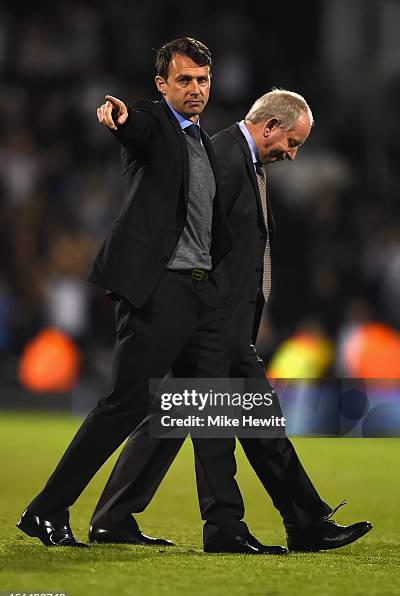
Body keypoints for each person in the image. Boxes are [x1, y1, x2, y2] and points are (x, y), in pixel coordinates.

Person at [17, 37, 286, 555]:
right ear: (162, 85)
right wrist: (119, 117)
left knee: (209, 410)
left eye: (203, 80)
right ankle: (46, 508)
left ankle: (224, 526)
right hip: (158, 292)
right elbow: (133, 126)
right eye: (184, 80)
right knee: (125, 404)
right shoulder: (154, 124)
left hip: (202, 295)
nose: (195, 90)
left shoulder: (204, 142)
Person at [89, 89, 372, 553]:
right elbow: (189, 235)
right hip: (215, 320)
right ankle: (294, 522)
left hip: (225, 318)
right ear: (270, 126)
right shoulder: (218, 155)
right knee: (259, 421)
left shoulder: (243, 160)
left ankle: (113, 517)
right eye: (293, 142)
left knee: (176, 412)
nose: (293, 154)